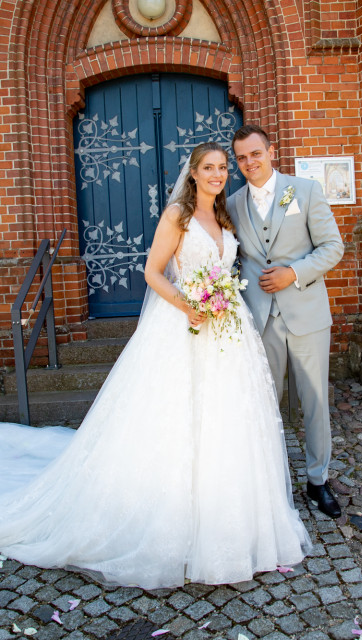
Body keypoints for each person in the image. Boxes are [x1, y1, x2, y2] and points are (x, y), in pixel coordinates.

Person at [0, 142, 311, 589]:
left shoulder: (224, 217)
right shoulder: (178, 217)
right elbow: (152, 271)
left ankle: (230, 513)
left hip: (227, 330)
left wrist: (219, 300)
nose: (218, 174)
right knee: (175, 418)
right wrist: (188, 305)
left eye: (224, 167)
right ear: (193, 173)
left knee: (229, 421)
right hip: (184, 325)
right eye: (209, 168)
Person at [227, 125, 344, 519]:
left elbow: (333, 247)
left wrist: (292, 273)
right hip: (260, 320)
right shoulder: (232, 204)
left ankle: (317, 481)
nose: (249, 163)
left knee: (315, 403)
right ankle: (270, 483)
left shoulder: (305, 191)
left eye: (256, 154)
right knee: (264, 403)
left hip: (307, 313)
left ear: (271, 152)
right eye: (241, 158)